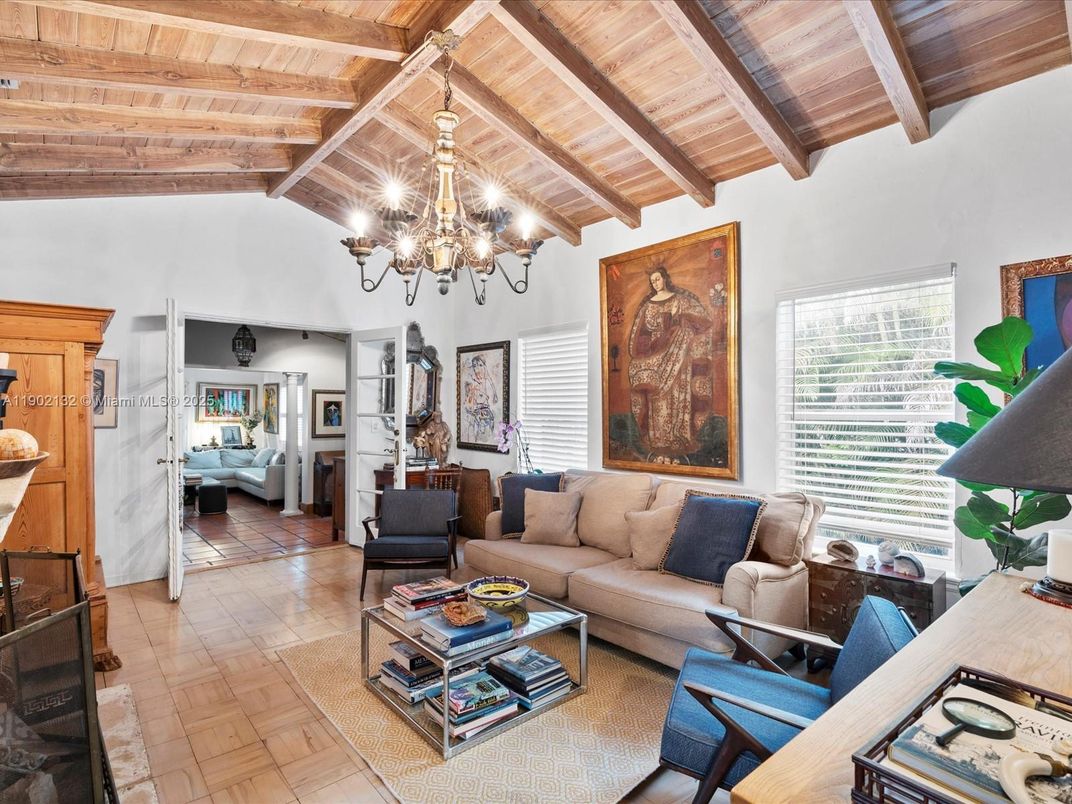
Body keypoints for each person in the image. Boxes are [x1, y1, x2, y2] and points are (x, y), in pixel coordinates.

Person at [627, 266, 713, 460]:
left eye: (657, 279)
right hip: (657, 357)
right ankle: (658, 438)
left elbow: (704, 321)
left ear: (664, 278)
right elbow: (638, 337)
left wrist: (681, 322)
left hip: (679, 353)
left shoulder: (680, 300)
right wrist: (653, 342)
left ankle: (678, 434)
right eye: (652, 281)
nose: (655, 283)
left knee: (677, 394)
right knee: (657, 396)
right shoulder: (648, 306)